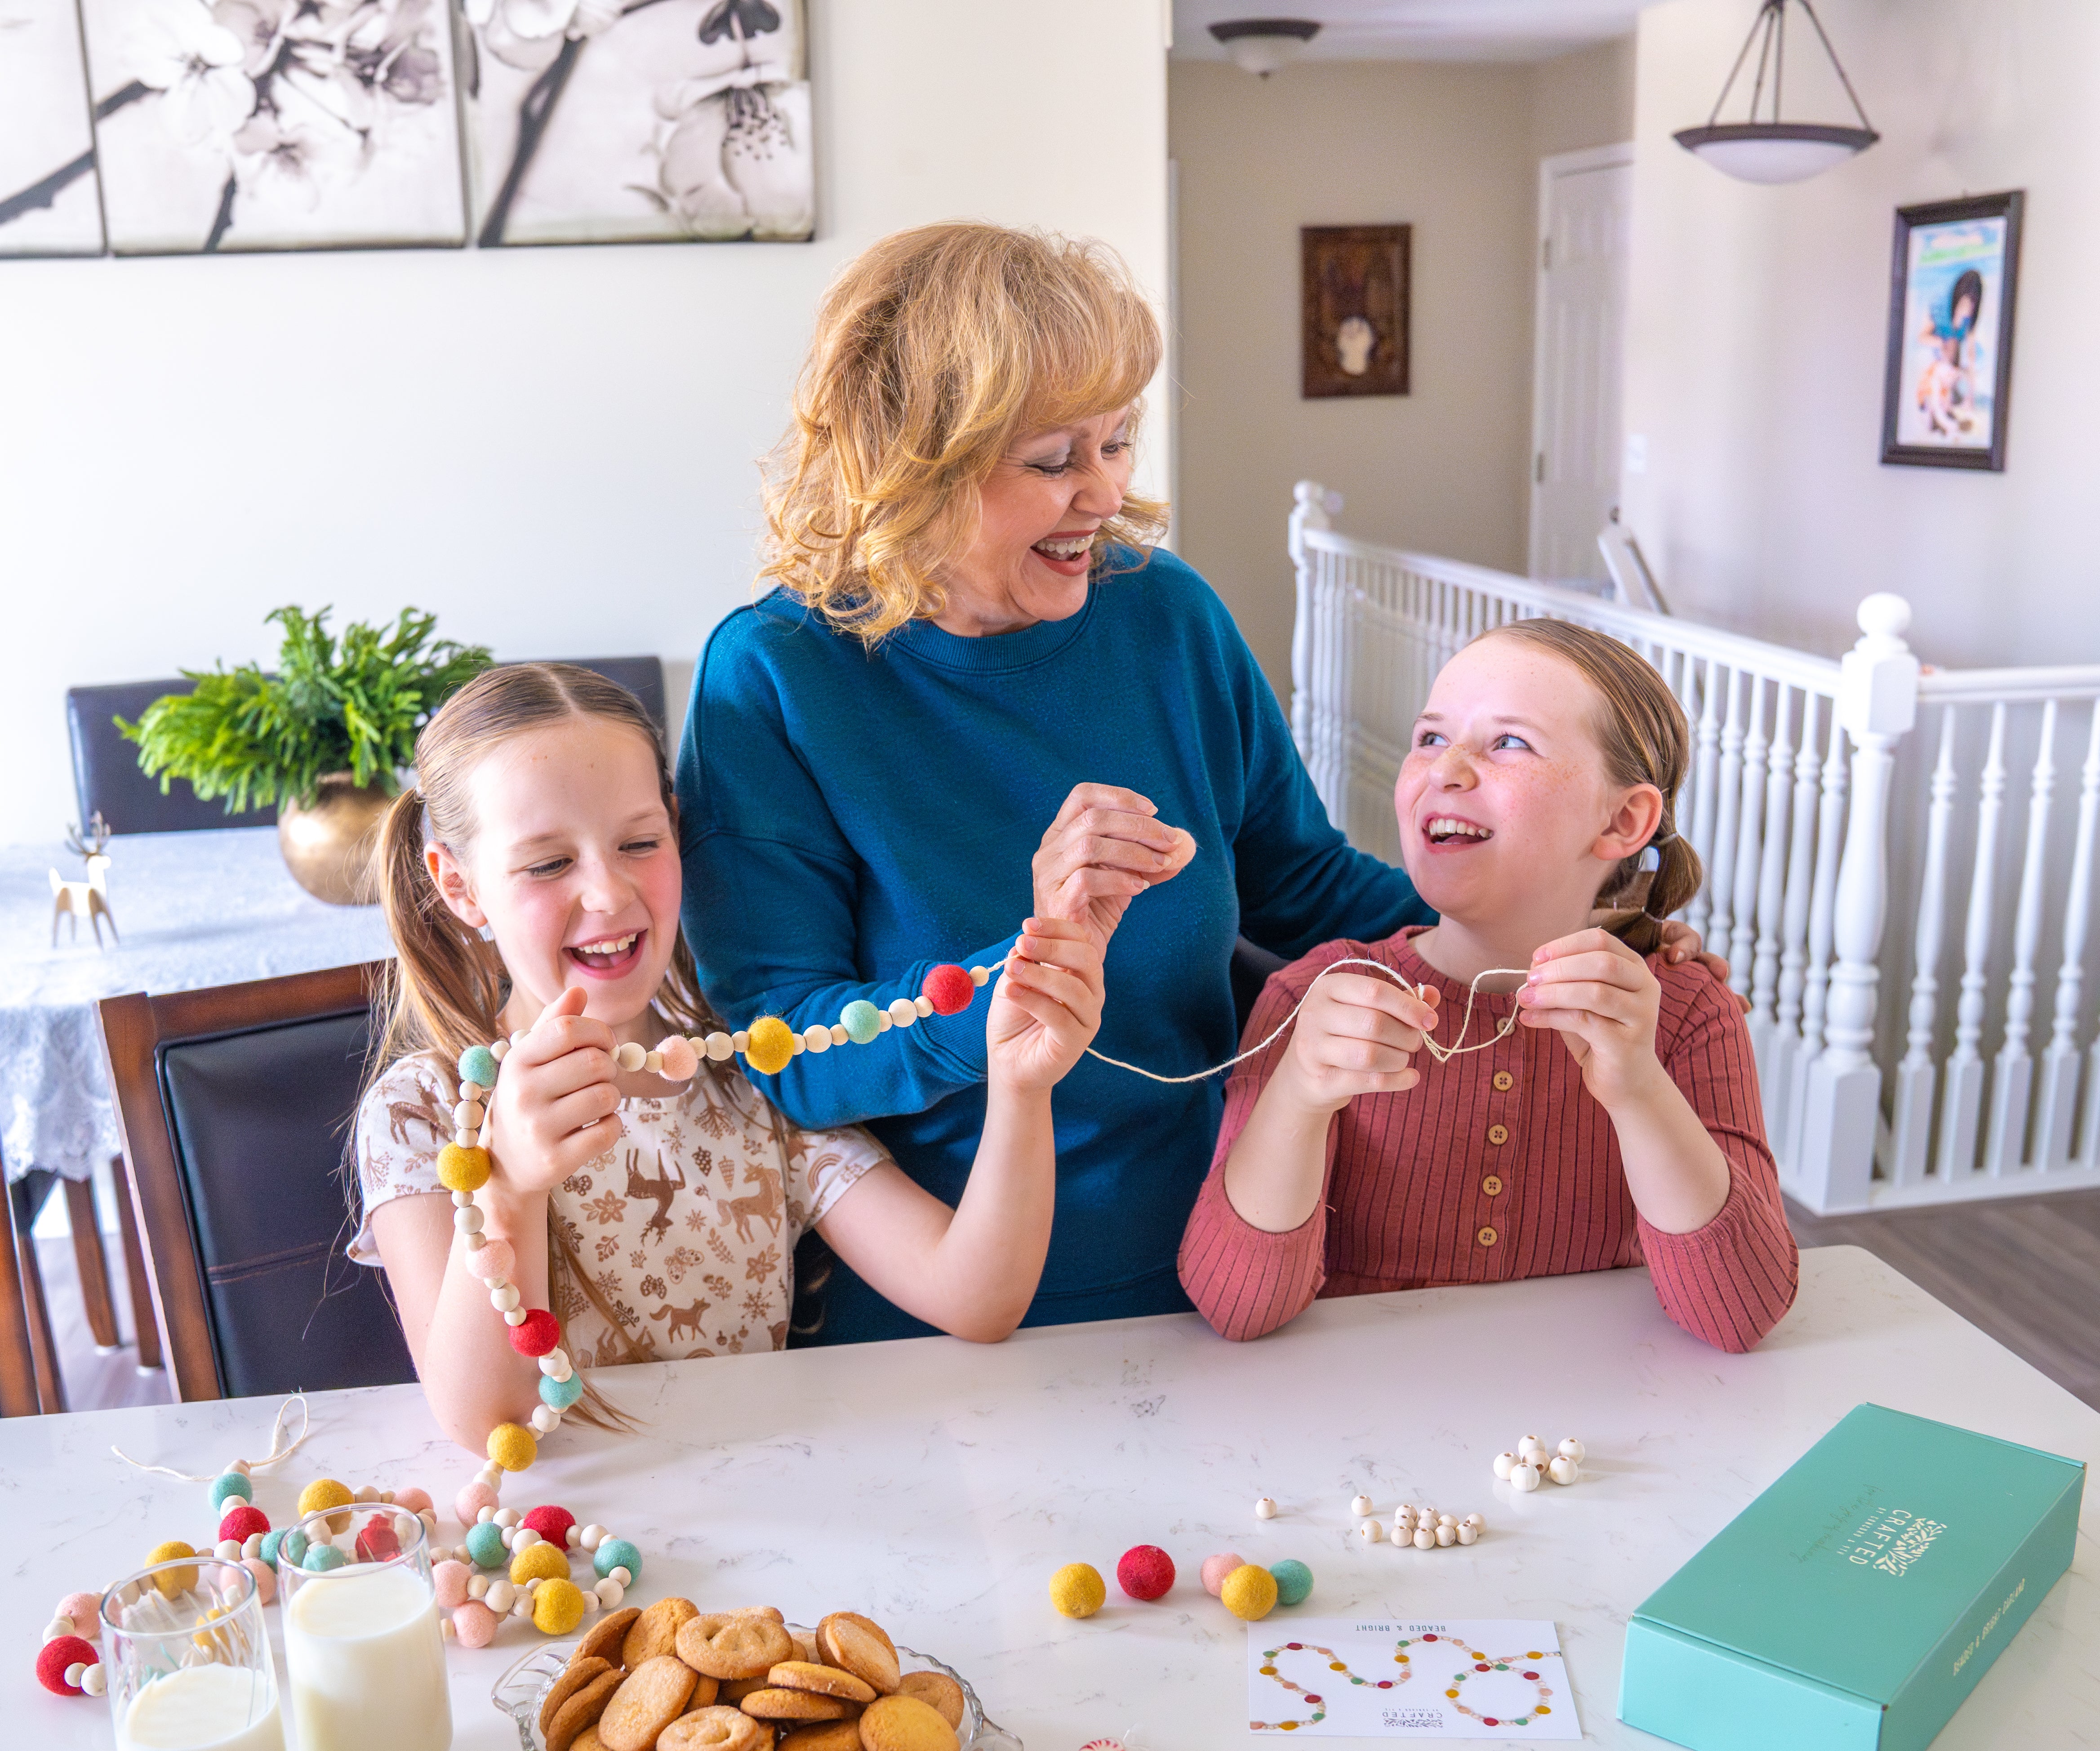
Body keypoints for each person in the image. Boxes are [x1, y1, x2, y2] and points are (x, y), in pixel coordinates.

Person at [678, 223, 1722, 1346]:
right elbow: (781, 1049)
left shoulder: (1164, 616)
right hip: (937, 1305)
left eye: (1117, 443)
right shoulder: (776, 675)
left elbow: (1299, 880)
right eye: (1052, 460)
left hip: (1228, 1275)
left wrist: (1571, 933)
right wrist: (1020, 974)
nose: (1103, 495)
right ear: (912, 459)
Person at [348, 664, 1108, 1449]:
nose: (608, 895)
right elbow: (492, 1426)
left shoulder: (748, 1073)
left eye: (640, 843)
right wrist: (511, 1181)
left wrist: (1022, 1090)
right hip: (568, 1552)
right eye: (548, 864)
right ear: (460, 886)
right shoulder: (426, 1115)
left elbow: (975, 1295)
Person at [1178, 619, 1796, 1354]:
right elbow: (1237, 1308)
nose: (1448, 768)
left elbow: (1741, 1313)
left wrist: (1638, 1087)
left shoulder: (1688, 1013)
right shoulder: (1315, 1001)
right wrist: (1299, 1094)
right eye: (1432, 739)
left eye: (1509, 743)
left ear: (1624, 820)